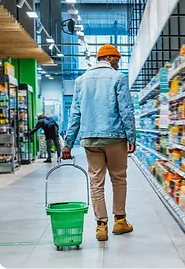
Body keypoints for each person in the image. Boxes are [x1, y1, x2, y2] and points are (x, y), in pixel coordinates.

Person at [62, 44, 136, 242]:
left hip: (90, 139)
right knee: (119, 178)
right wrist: (131, 137)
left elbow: (75, 114)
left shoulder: (80, 81)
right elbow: (126, 111)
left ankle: (101, 226)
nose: (118, 65)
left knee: (96, 181)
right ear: (109, 57)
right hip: (115, 137)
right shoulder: (118, 78)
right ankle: (120, 221)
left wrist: (68, 143)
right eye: (118, 60)